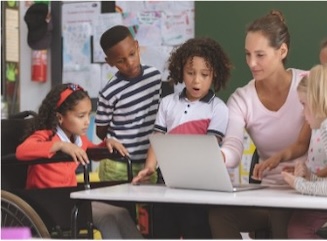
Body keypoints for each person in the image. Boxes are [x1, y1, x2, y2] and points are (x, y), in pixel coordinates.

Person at [208, 10, 311, 239]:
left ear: (282, 51)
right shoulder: (242, 98)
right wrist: (221, 157)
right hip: (268, 196)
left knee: (282, 217)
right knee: (219, 214)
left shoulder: (310, 84)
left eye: (260, 55)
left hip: (308, 193)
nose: (251, 63)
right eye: (247, 54)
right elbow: (233, 146)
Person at [132, 37, 232, 238]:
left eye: (204, 74)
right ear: (180, 71)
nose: (196, 80)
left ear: (214, 75)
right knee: (162, 231)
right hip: (166, 181)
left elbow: (209, 148)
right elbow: (158, 138)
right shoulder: (167, 103)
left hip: (199, 185)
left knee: (196, 231)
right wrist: (150, 167)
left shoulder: (218, 108)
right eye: (190, 73)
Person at [16, 83, 143, 239]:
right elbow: (22, 151)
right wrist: (60, 146)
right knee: (107, 218)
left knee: (120, 212)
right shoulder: (47, 136)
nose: (87, 121)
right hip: (48, 203)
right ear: (60, 117)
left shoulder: (79, 139)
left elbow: (91, 151)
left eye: (89, 114)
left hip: (71, 198)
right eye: (81, 116)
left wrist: (107, 144)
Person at [286, 35, 327, 239]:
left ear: (318, 98)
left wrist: (301, 185)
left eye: (304, 105)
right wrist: (311, 177)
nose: (303, 114)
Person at [95, 25, 162, 182]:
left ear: (137, 46)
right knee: (119, 206)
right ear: (109, 62)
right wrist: (111, 140)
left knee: (147, 206)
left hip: (148, 162)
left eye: (132, 54)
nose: (130, 63)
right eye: (120, 61)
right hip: (117, 165)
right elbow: (101, 130)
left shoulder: (155, 77)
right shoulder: (109, 91)